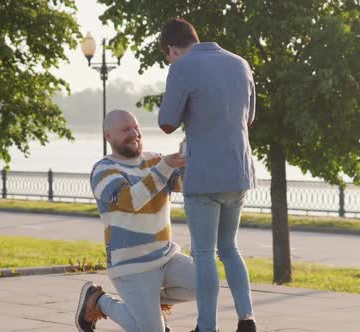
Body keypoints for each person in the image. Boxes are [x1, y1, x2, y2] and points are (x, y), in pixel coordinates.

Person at [157, 18, 257, 332]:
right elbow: (249, 118)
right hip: (238, 171)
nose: (170, 62)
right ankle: (247, 320)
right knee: (229, 248)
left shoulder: (182, 67)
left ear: (173, 48)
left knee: (203, 253)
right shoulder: (240, 64)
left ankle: (207, 327)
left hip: (203, 175)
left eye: (167, 57)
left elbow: (166, 122)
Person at [75, 109, 195, 332]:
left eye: (136, 127)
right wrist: (165, 166)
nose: (134, 133)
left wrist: (192, 150)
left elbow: (185, 185)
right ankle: (99, 300)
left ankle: (147, 304)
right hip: (131, 265)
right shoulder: (103, 170)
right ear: (108, 136)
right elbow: (130, 200)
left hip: (165, 256)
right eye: (125, 129)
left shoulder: (155, 160)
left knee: (207, 284)